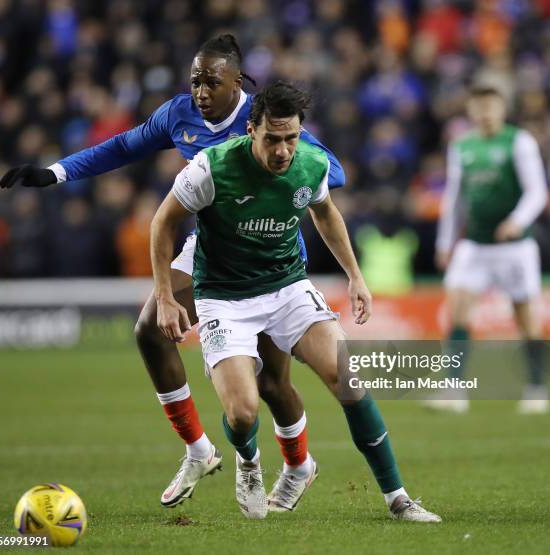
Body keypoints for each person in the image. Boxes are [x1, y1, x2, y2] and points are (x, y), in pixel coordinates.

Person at [0, 34, 345, 510]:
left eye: (211, 82)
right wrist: (56, 173)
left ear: (237, 82)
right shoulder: (178, 115)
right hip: (210, 249)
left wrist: (284, 162)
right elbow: (122, 147)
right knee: (149, 330)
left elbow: (333, 171)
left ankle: (300, 464)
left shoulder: (263, 123)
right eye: (195, 81)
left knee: (271, 385)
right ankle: (199, 449)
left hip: (269, 256)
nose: (201, 91)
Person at [151, 81, 442, 522]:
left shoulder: (311, 163)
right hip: (224, 298)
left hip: (287, 286)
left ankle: (398, 498)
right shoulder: (211, 168)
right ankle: (247, 462)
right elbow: (162, 223)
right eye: (272, 139)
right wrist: (165, 297)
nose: (283, 150)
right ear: (251, 130)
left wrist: (356, 276)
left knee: (346, 378)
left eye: (291, 138)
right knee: (245, 412)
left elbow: (326, 213)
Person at [427, 83, 549, 414]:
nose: (485, 112)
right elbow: (454, 199)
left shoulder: (519, 142)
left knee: (526, 318)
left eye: (490, 106)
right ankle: (455, 390)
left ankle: (536, 387)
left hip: (515, 247)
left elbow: (537, 191)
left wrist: (517, 220)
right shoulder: (461, 145)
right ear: (470, 111)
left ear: (502, 109)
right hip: (475, 244)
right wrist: (444, 242)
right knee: (458, 311)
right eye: (479, 107)